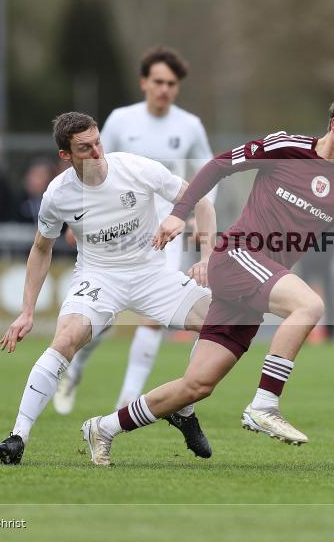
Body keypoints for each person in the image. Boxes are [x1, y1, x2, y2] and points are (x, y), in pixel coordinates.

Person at [80, 88, 334, 467]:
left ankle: (104, 427)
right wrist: (180, 213)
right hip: (238, 255)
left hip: (257, 281)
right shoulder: (285, 146)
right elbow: (218, 165)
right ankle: (265, 404)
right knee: (309, 305)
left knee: (197, 386)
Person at [0, 111, 217, 465]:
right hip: (99, 278)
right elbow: (41, 248)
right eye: (85, 148)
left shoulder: (135, 168)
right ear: (65, 156)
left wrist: (205, 259)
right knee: (64, 340)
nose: (97, 152)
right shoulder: (58, 195)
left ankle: (183, 409)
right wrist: (27, 310)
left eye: (98, 142)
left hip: (151, 274)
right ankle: (17, 436)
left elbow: (199, 199)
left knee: (219, 324)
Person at [53, 46, 216, 415]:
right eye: (158, 81)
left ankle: (127, 400)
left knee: (153, 318)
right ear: (144, 82)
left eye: (171, 83)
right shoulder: (122, 121)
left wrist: (194, 215)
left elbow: (207, 174)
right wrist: (76, 222)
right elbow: (91, 168)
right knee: (104, 320)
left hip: (164, 229)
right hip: (115, 226)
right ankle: (74, 369)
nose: (164, 89)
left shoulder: (189, 126)